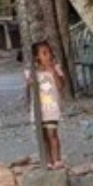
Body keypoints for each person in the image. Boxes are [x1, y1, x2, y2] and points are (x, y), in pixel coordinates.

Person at [25, 40, 66, 169]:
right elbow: (29, 90)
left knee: (52, 134)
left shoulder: (56, 68)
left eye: (49, 52)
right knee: (42, 136)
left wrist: (53, 71)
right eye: (44, 53)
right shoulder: (32, 72)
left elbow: (60, 86)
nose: (48, 56)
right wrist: (29, 82)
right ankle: (48, 160)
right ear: (37, 57)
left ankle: (57, 160)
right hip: (38, 109)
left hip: (52, 108)